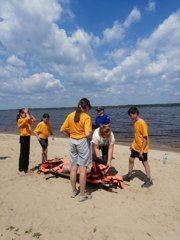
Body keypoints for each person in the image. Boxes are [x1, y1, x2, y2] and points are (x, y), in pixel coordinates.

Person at [60, 98, 92, 202]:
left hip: (73, 141)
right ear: (86, 107)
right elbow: (87, 134)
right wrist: (91, 136)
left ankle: (74, 191)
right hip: (82, 142)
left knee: (73, 168)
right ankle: (82, 194)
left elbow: (62, 129)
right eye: (88, 108)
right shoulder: (86, 117)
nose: (88, 110)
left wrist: (70, 135)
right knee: (82, 170)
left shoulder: (70, 115)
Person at [123, 106, 153, 188]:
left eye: (131, 115)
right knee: (131, 159)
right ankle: (129, 175)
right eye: (129, 115)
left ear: (135, 114)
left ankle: (149, 179)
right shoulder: (135, 122)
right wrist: (132, 144)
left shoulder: (142, 123)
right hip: (135, 146)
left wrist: (142, 150)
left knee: (144, 162)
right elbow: (136, 136)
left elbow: (145, 138)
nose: (130, 117)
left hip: (143, 148)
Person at [16, 108, 36, 175]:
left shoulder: (26, 119)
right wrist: (27, 113)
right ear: (20, 114)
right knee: (23, 154)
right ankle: (20, 170)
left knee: (27, 153)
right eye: (23, 112)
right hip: (23, 138)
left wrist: (29, 113)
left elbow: (34, 120)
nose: (24, 114)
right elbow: (27, 119)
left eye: (24, 113)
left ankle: (26, 169)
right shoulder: (20, 120)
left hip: (27, 137)